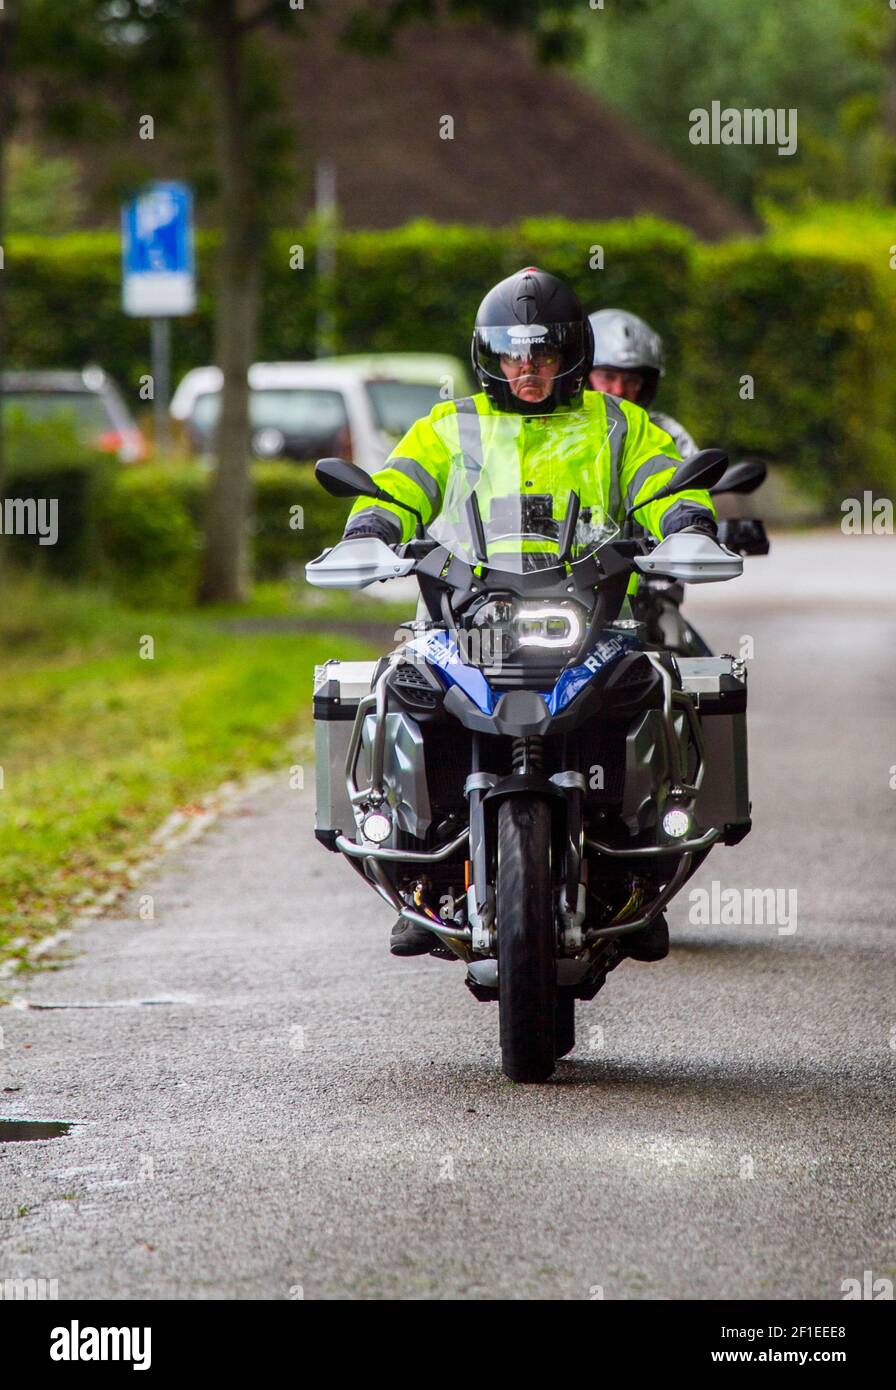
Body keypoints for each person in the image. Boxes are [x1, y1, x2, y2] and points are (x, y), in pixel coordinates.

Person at [341, 268, 717, 958]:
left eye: (543, 354)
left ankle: (638, 862)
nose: (528, 370)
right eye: (514, 354)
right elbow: (400, 484)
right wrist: (370, 528)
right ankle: (415, 861)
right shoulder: (450, 427)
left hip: (595, 614)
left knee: (658, 685)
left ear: (572, 354)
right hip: (469, 613)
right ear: (490, 355)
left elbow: (660, 478)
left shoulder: (615, 423)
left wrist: (687, 518)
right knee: (400, 683)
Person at [588, 308, 699, 462]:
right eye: (608, 377)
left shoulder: (668, 434)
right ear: (583, 378)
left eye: (631, 380)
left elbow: (700, 481)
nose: (619, 390)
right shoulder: (563, 434)